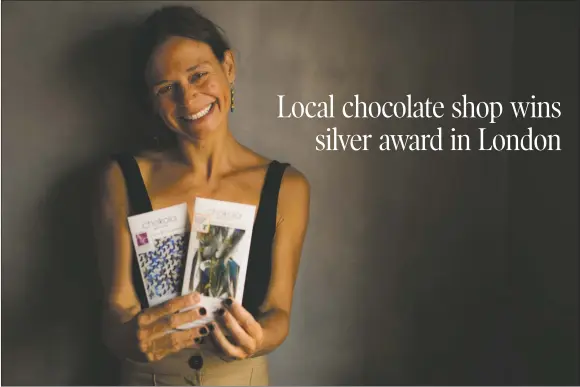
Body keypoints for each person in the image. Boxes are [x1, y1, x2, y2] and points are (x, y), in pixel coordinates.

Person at [95, 5, 310, 386]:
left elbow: (278, 310)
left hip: (242, 378)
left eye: (198, 75)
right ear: (150, 100)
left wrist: (258, 339)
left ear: (228, 68)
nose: (189, 98)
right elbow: (116, 309)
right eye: (166, 88)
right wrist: (129, 338)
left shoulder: (288, 187)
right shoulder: (122, 178)